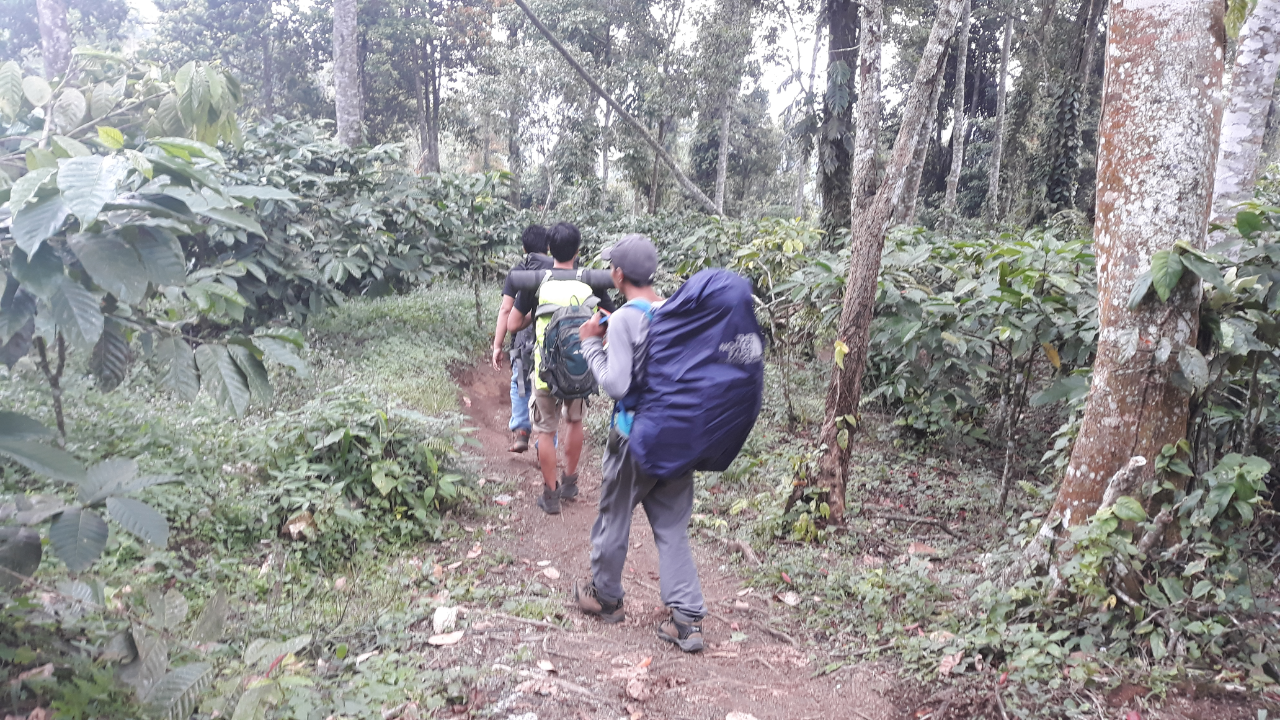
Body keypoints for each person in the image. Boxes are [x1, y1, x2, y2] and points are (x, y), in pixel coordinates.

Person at [573, 234, 708, 653]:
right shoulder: (673, 309)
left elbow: (617, 384)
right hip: (677, 436)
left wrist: (590, 342)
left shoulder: (628, 317)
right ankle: (686, 620)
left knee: (615, 516)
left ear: (616, 274)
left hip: (635, 436)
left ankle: (606, 597)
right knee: (671, 529)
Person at [507, 222, 593, 515]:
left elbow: (513, 324)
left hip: (546, 371)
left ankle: (551, 495)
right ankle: (570, 483)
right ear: (578, 251)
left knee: (545, 430)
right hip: (580, 367)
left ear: (549, 251)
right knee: (574, 421)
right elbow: (607, 317)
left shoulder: (538, 282)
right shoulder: (588, 281)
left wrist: (539, 314)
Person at [491, 225, 552, 453]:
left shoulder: (519, 271)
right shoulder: (561, 268)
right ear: (548, 246)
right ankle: (547, 443)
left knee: (520, 384)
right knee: (547, 389)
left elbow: (506, 310)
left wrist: (498, 345)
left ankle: (522, 430)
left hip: (521, 341)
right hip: (551, 343)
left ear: (524, 247)